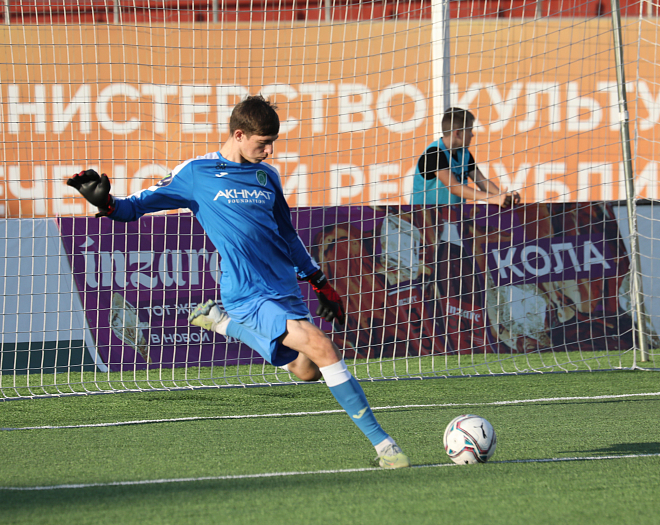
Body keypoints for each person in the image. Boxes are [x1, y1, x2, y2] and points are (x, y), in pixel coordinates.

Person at [66, 94, 410, 469]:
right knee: (323, 346)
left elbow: (288, 235)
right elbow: (137, 205)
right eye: (263, 143)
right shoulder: (197, 173)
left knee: (307, 369)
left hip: (283, 287)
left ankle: (222, 323)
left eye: (272, 143)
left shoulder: (268, 176)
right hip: (247, 291)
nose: (270, 151)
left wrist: (319, 282)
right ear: (239, 134)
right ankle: (385, 446)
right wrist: (108, 203)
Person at [411, 107, 520, 207]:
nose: (472, 135)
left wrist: (504, 196)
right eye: (469, 130)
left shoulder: (464, 154)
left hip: (450, 216)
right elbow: (454, 187)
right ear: (457, 133)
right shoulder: (434, 153)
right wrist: (492, 198)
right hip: (422, 217)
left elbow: (482, 182)